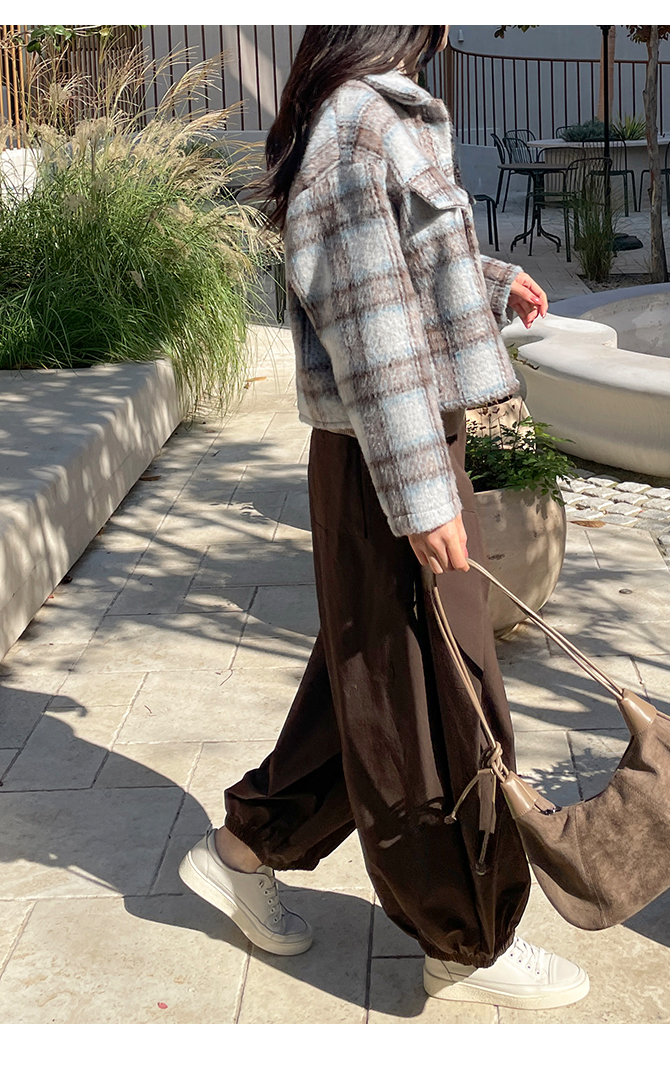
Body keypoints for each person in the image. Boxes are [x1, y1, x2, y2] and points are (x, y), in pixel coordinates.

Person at [179, 25, 589, 1011]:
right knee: (439, 705)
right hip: (389, 455)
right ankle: (464, 939)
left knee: (374, 679)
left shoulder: (369, 112)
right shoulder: (357, 121)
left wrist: (486, 280)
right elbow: (367, 328)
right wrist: (422, 492)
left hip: (396, 445)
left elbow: (393, 271)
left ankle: (244, 847)